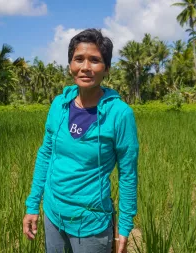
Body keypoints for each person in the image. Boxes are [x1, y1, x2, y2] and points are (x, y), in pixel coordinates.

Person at [23, 28, 139, 253]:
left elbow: (128, 174)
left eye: (95, 60)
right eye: (79, 59)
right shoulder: (59, 105)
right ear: (70, 66)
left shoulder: (119, 114)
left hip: (91, 224)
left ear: (106, 68)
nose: (86, 67)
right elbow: (46, 154)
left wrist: (124, 227)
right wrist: (32, 205)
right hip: (53, 214)